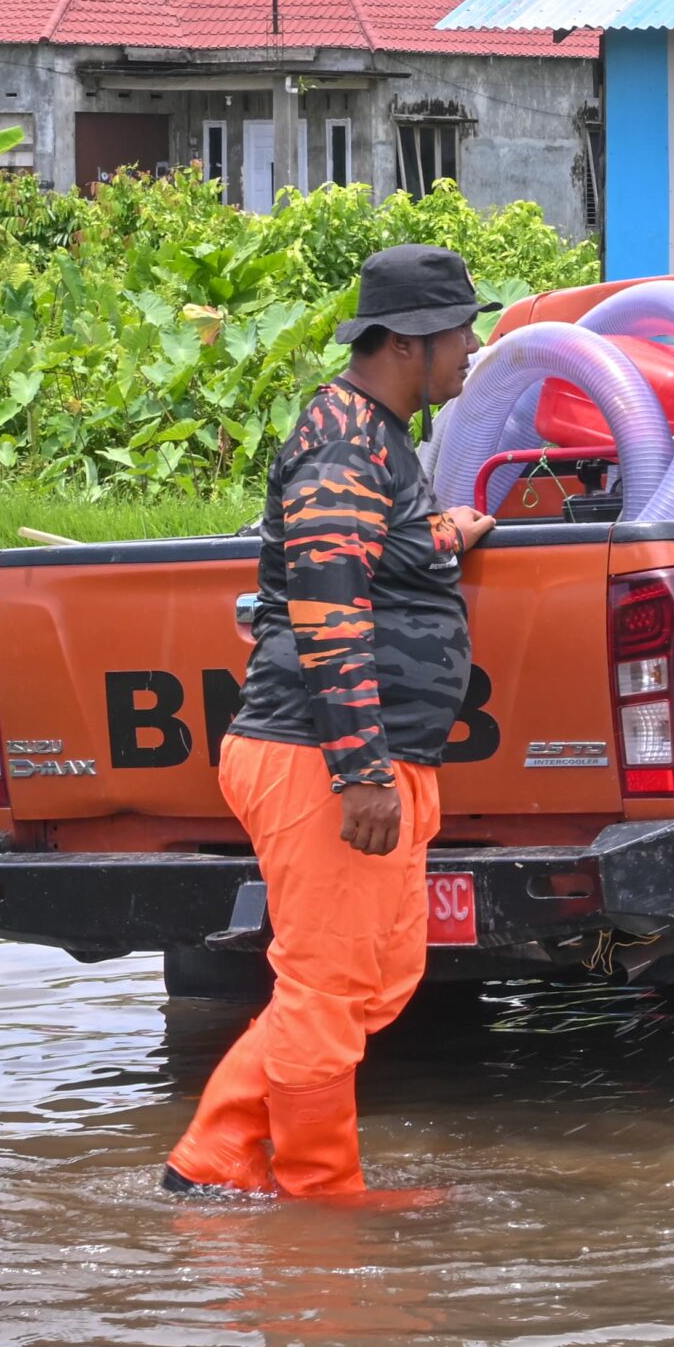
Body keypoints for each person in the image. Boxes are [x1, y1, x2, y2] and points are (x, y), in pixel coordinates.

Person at [166, 245, 498, 1201]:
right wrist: (360, 772)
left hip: (367, 753)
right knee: (326, 985)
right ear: (406, 343)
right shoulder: (343, 441)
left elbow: (371, 548)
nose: (473, 349)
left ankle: (218, 1158)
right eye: (460, 332)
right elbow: (326, 607)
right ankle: (323, 1199)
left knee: (376, 978)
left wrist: (447, 531)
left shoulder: (376, 440)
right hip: (320, 758)